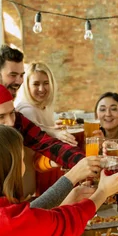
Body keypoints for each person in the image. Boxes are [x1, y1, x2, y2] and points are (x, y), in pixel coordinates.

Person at [15, 62, 75, 194]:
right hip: (31, 177)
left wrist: (53, 128)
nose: (42, 89)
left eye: (46, 83)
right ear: (27, 86)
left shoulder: (44, 107)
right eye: (36, 84)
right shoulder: (26, 110)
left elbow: (43, 132)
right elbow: (38, 141)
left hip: (44, 173)